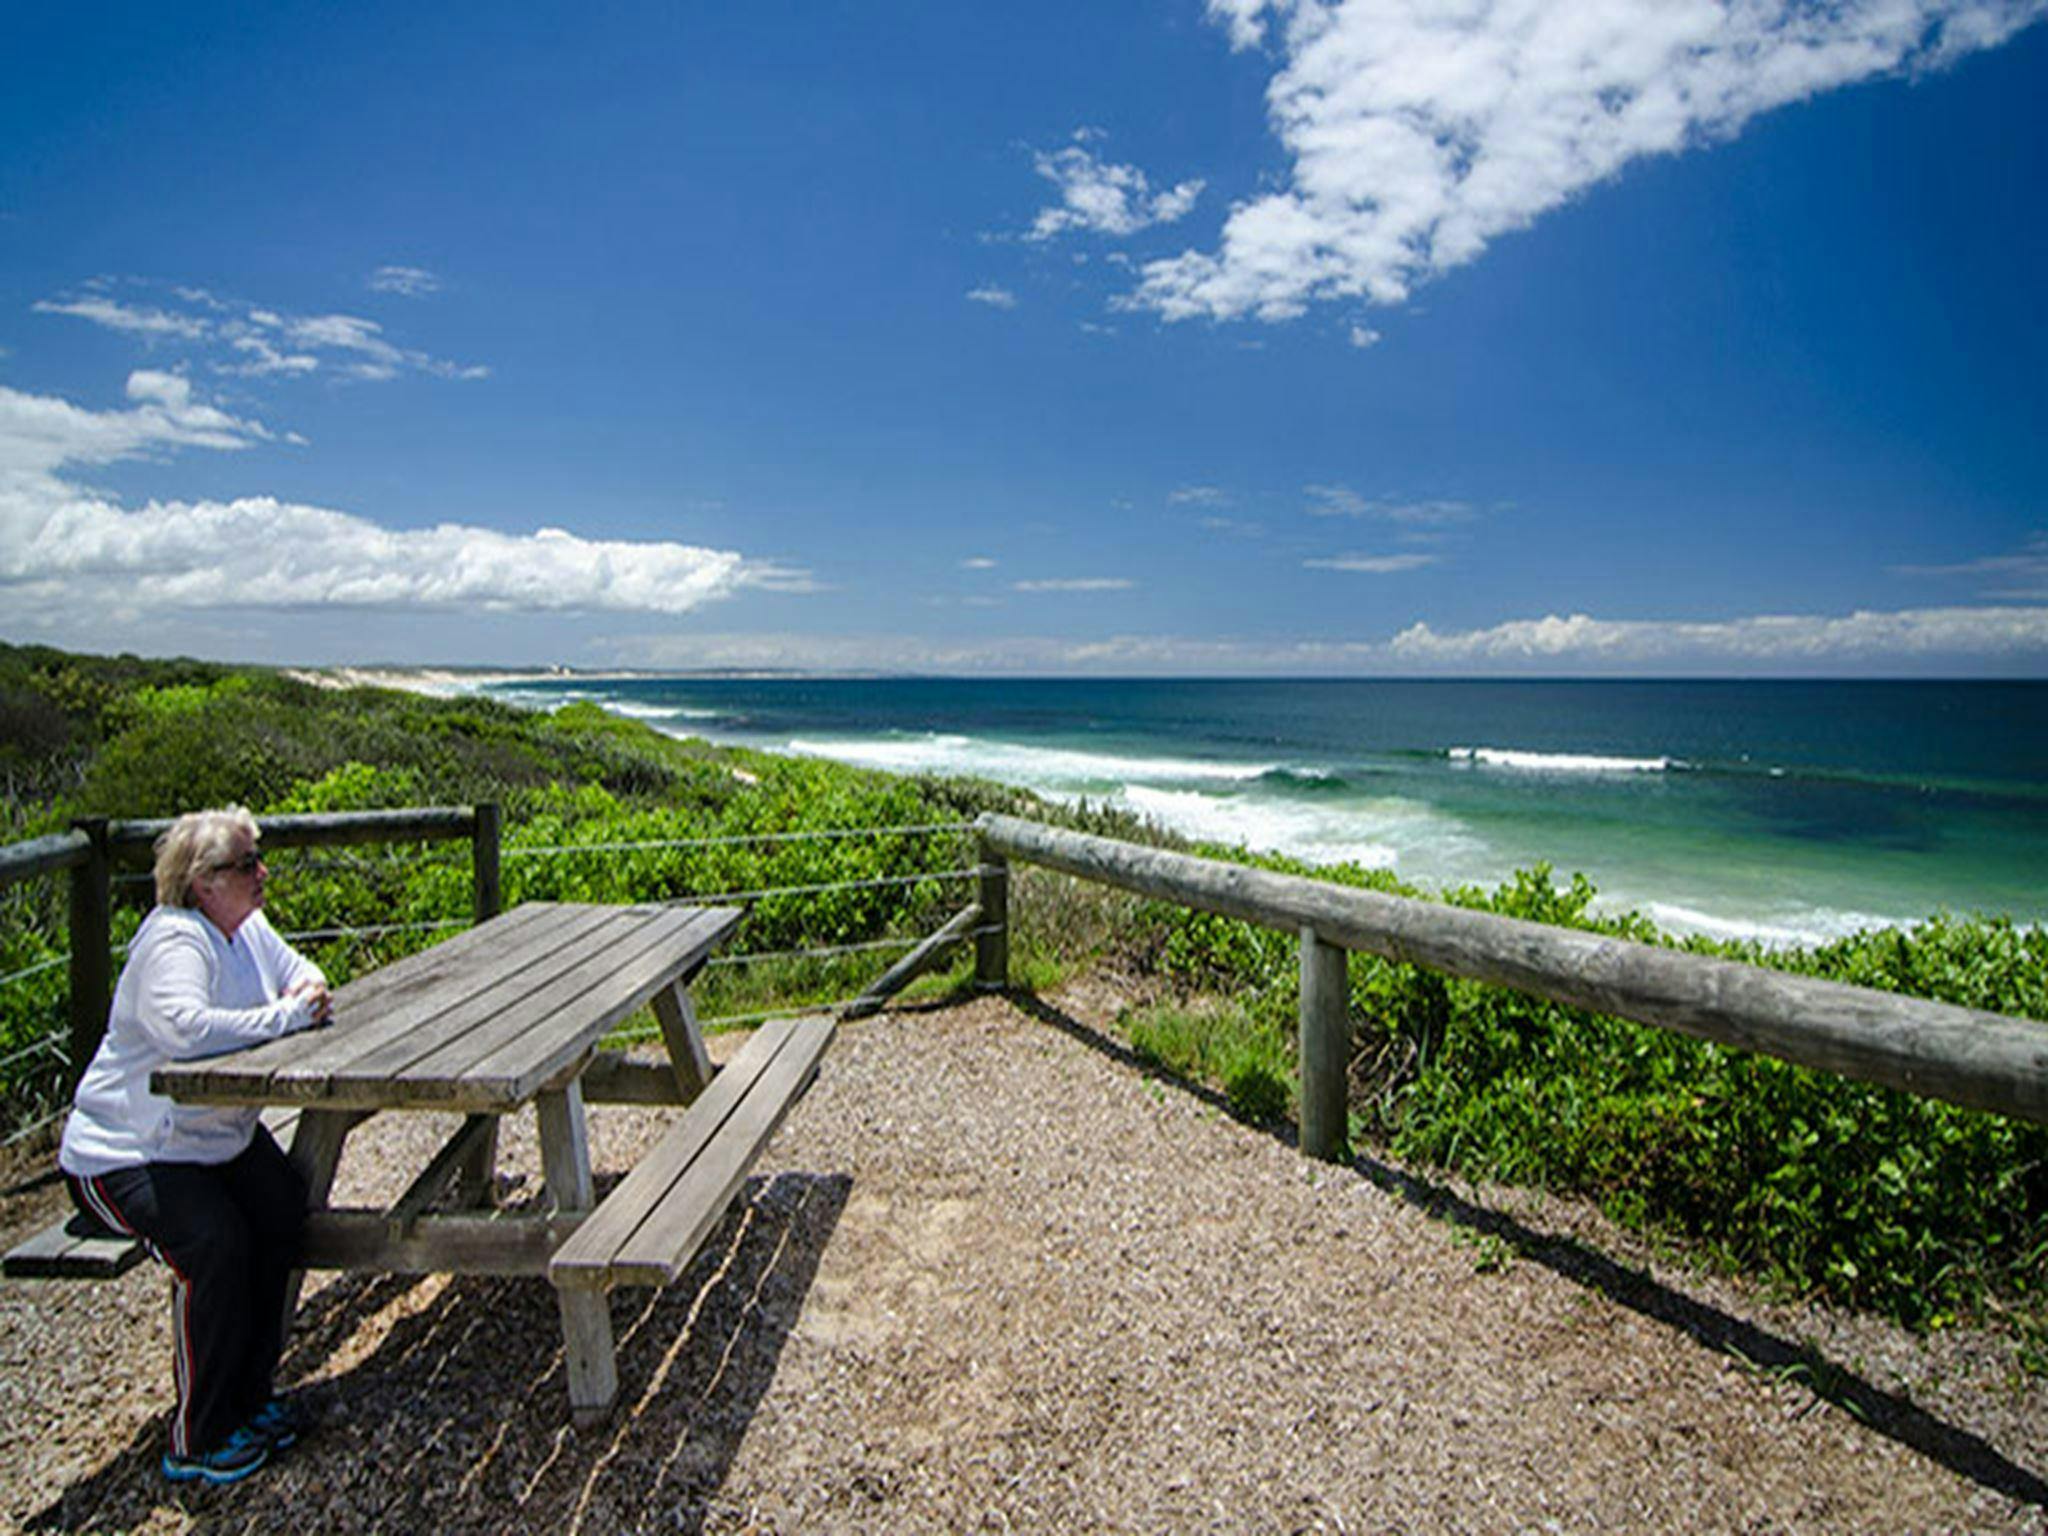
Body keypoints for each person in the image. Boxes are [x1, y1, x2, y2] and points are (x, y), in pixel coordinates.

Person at [58, 807, 332, 1486]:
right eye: (247, 864)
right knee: (214, 1243)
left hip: (214, 1142)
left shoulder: (246, 929)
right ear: (205, 881)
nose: (262, 873)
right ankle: (199, 1438)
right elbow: (186, 1031)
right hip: (127, 1151)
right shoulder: (175, 943)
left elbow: (305, 972)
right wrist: (288, 1015)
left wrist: (302, 994)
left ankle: (251, 1397)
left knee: (281, 1206)